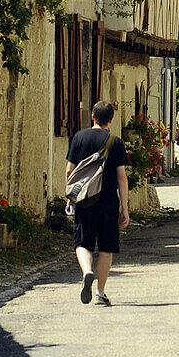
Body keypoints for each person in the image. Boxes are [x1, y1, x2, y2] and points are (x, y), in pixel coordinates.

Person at [65, 100, 129, 306]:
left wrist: (70, 196)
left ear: (92, 116)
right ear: (110, 120)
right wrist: (125, 208)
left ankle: (87, 271)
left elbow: (70, 170)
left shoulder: (79, 138)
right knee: (106, 247)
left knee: (82, 242)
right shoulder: (116, 142)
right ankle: (100, 292)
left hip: (85, 199)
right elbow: (122, 177)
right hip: (108, 201)